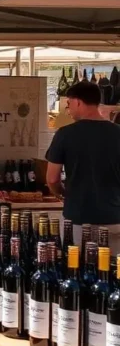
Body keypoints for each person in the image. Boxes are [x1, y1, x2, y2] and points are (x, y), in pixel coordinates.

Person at [46, 80, 120, 251]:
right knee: (113, 272)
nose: (69, 110)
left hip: (77, 218)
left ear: (78, 102)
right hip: (114, 218)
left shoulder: (65, 134)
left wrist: (63, 193)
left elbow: (52, 178)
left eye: (69, 104)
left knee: (75, 269)